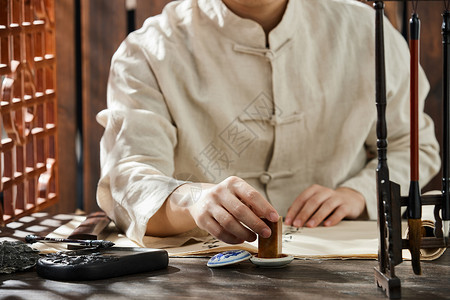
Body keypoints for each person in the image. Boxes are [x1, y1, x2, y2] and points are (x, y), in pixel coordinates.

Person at [96, 0, 440, 246]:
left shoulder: (367, 31)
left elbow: (414, 146)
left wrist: (358, 193)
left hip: (347, 256)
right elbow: (128, 179)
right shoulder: (149, 51)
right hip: (207, 265)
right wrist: (195, 200)